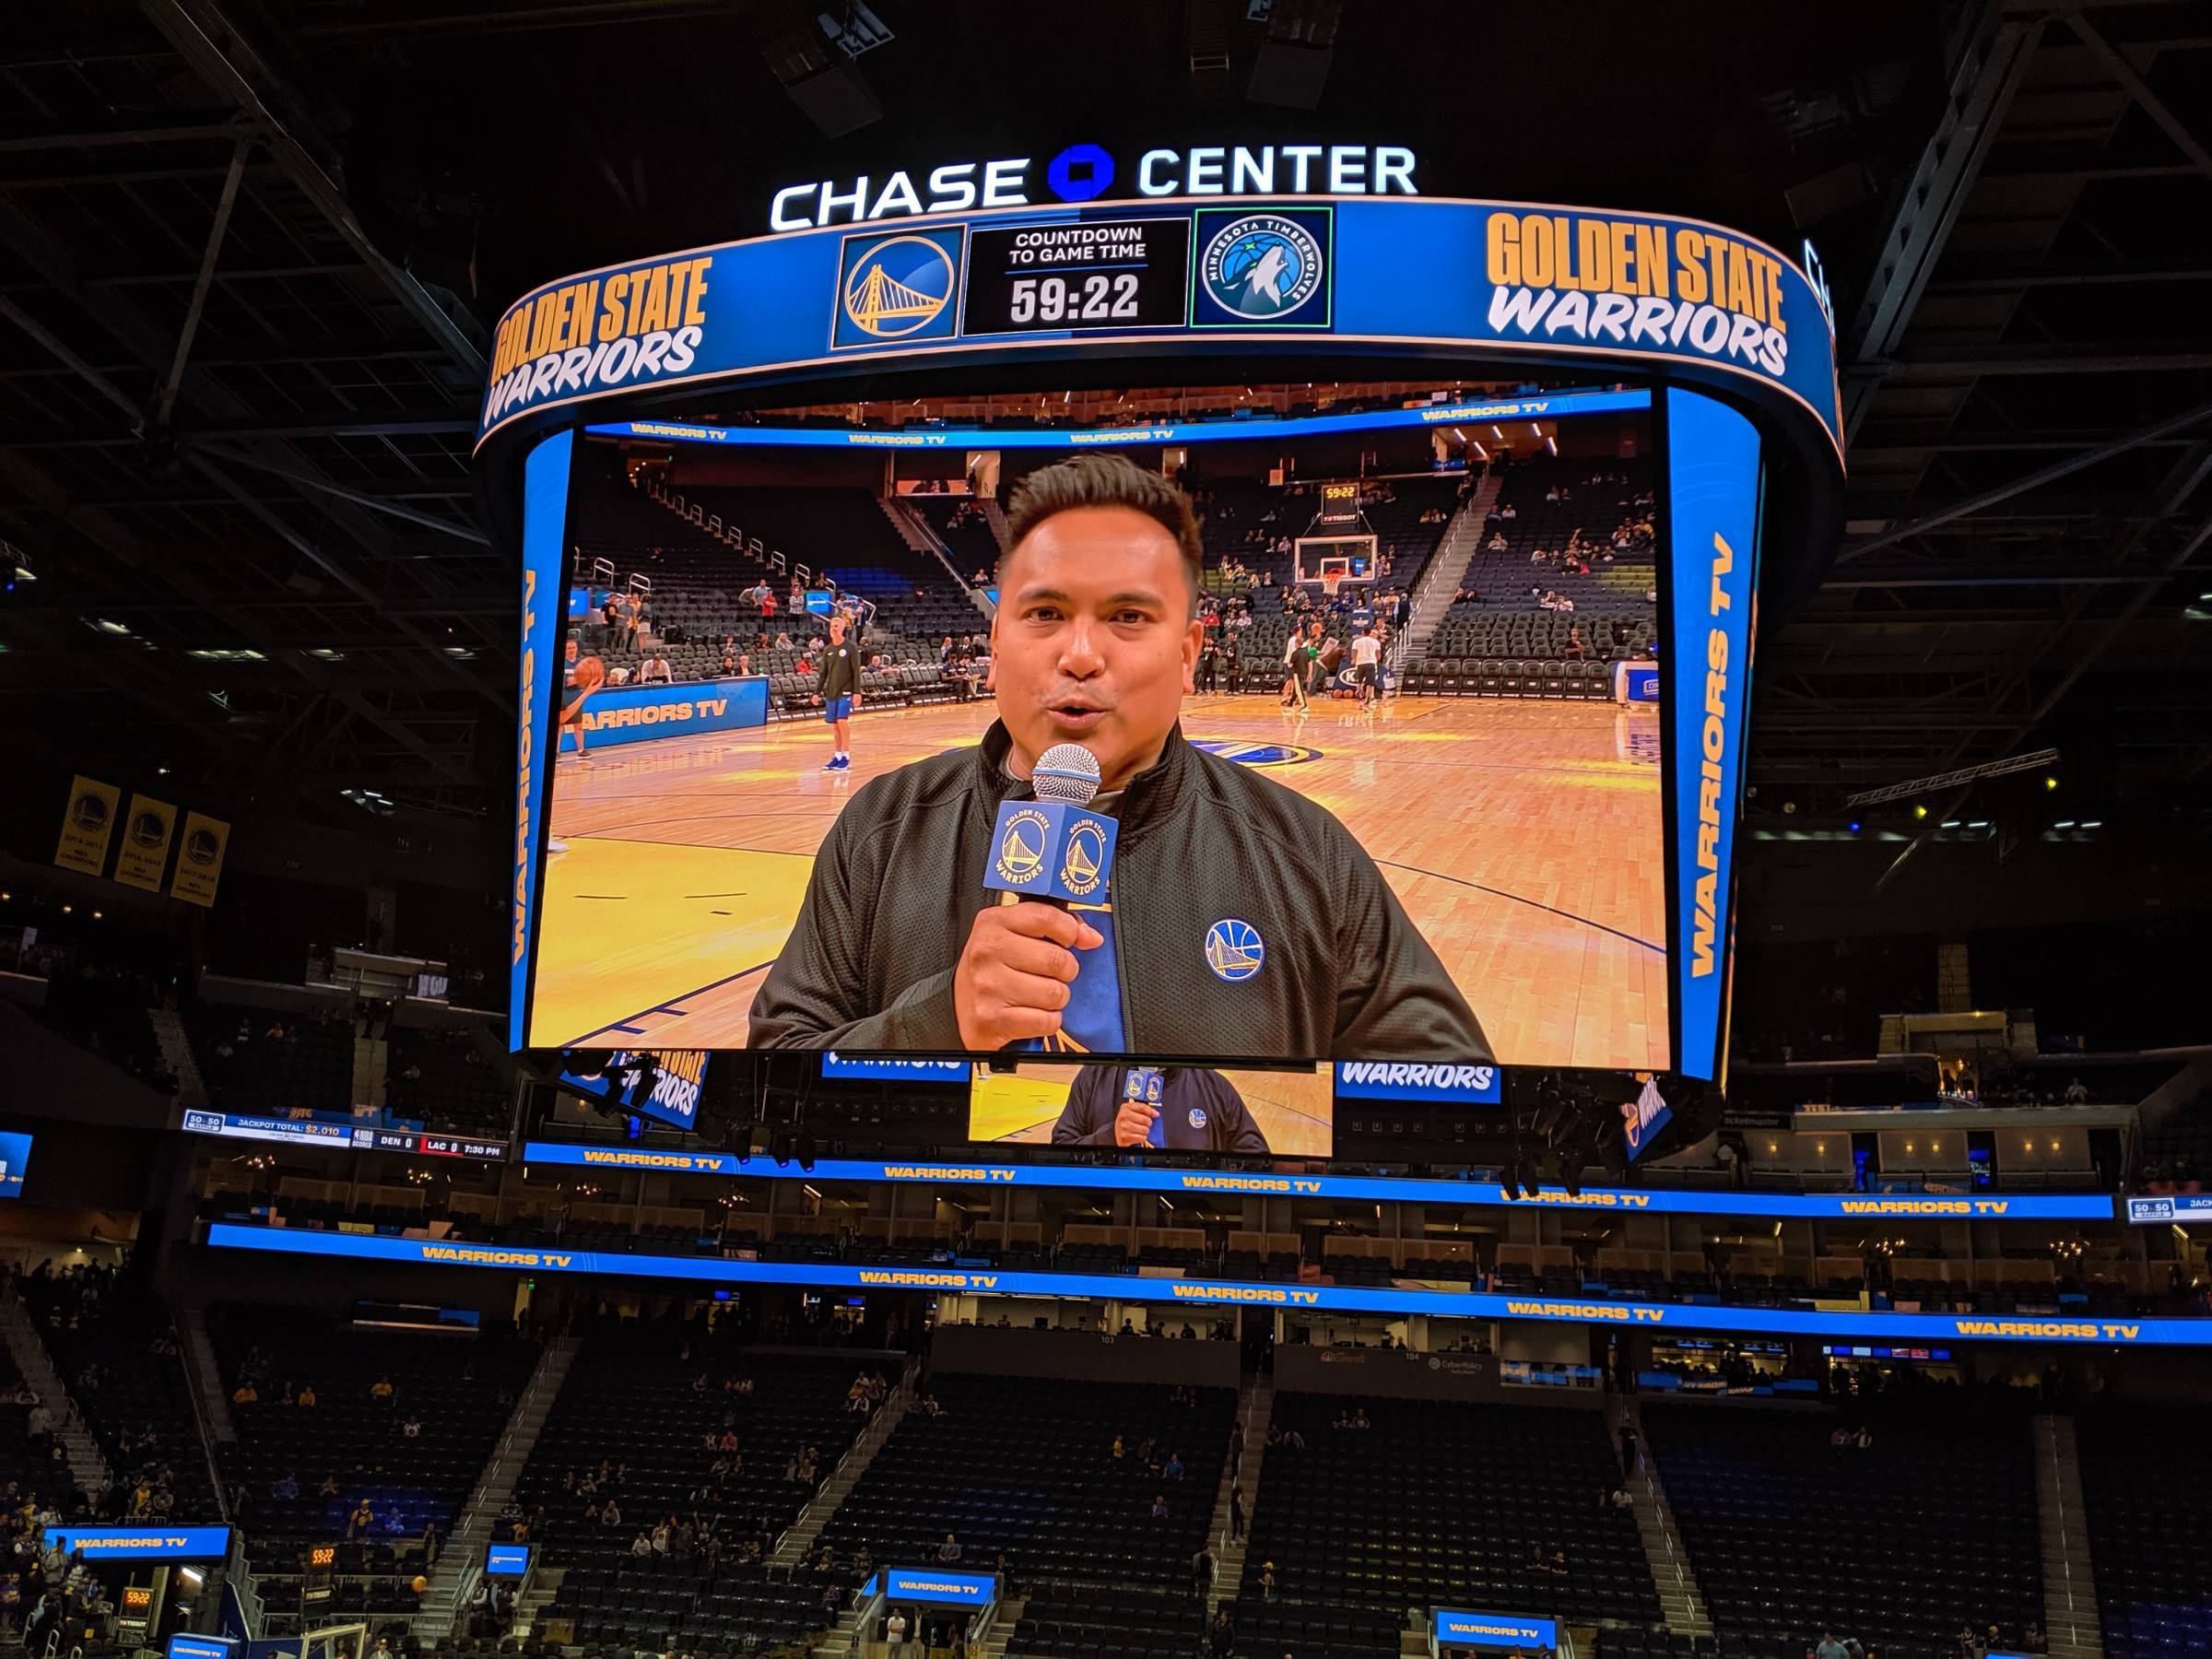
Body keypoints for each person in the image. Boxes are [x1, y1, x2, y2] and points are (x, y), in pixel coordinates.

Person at [747, 455, 1489, 1059]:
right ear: (996, 642)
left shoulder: (1305, 854)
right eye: (1044, 614)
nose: (1079, 655)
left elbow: (1449, 1104)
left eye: (1127, 618)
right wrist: (934, 1025)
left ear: (1191, 654)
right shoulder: (882, 831)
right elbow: (769, 1086)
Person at [1051, 1065, 1270, 1151]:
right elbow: (1057, 1153)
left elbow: (1258, 1163)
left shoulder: (1216, 1087)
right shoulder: (1093, 1076)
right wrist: (1110, 1137)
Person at [817, 609, 861, 772]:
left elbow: (856, 671)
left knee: (842, 721)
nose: (833, 628)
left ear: (842, 628)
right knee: (834, 725)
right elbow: (823, 673)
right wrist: (816, 692)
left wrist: (857, 692)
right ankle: (837, 756)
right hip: (831, 692)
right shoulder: (828, 649)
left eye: (836, 626)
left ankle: (846, 756)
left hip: (847, 691)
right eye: (831, 626)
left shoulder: (850, 647)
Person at [1350, 624, 1382, 708]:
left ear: (1362, 632)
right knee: (1370, 683)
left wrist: (1354, 660)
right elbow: (1378, 655)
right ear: (1370, 633)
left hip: (1360, 663)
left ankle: (1359, 694)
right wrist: (1375, 659)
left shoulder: (1356, 641)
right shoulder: (1376, 642)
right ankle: (1367, 698)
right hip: (1371, 663)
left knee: (1360, 681)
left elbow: (1353, 653)